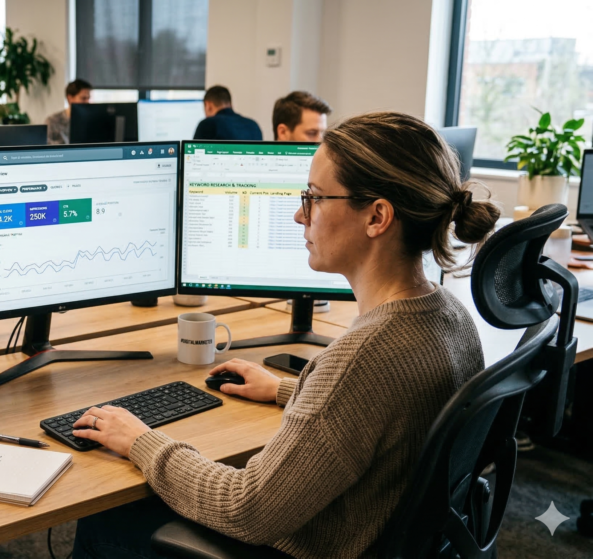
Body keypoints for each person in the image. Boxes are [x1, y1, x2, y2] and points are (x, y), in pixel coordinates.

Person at [70, 112, 501, 558]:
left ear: (377, 217)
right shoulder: (448, 314)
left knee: (105, 519)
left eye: (314, 198)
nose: (299, 215)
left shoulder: (365, 358)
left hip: (310, 545)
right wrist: (290, 391)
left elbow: (245, 509)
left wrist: (142, 440)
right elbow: (387, 413)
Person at [193, 85, 263, 141]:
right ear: (230, 104)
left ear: (208, 106)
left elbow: (194, 155)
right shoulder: (253, 125)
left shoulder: (207, 125)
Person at [45, 79, 92, 144]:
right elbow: (46, 146)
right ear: (70, 98)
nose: (87, 102)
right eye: (83, 98)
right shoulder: (53, 121)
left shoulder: (91, 121)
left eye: (88, 98)